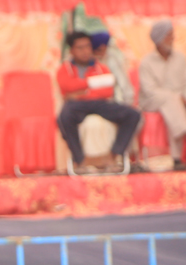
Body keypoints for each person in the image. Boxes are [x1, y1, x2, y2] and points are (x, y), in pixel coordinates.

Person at [56, 30, 142, 172]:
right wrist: (93, 84)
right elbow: (66, 87)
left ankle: (114, 155)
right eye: (80, 48)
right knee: (64, 116)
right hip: (76, 106)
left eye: (87, 46)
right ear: (72, 50)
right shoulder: (64, 69)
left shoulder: (101, 67)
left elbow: (107, 90)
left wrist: (80, 91)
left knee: (133, 114)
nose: (85, 51)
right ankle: (80, 160)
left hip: (99, 104)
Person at [138, 20, 186, 170]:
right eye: (169, 35)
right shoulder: (147, 62)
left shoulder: (180, 58)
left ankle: (176, 158)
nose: (173, 38)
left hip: (175, 103)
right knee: (172, 100)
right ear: (159, 39)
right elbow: (149, 90)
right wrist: (179, 98)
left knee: (172, 105)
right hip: (151, 101)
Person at [90, 31, 134, 106]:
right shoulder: (88, 60)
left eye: (104, 49)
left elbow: (123, 81)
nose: (102, 53)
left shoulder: (111, 57)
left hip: (113, 101)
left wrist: (128, 102)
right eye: (99, 50)